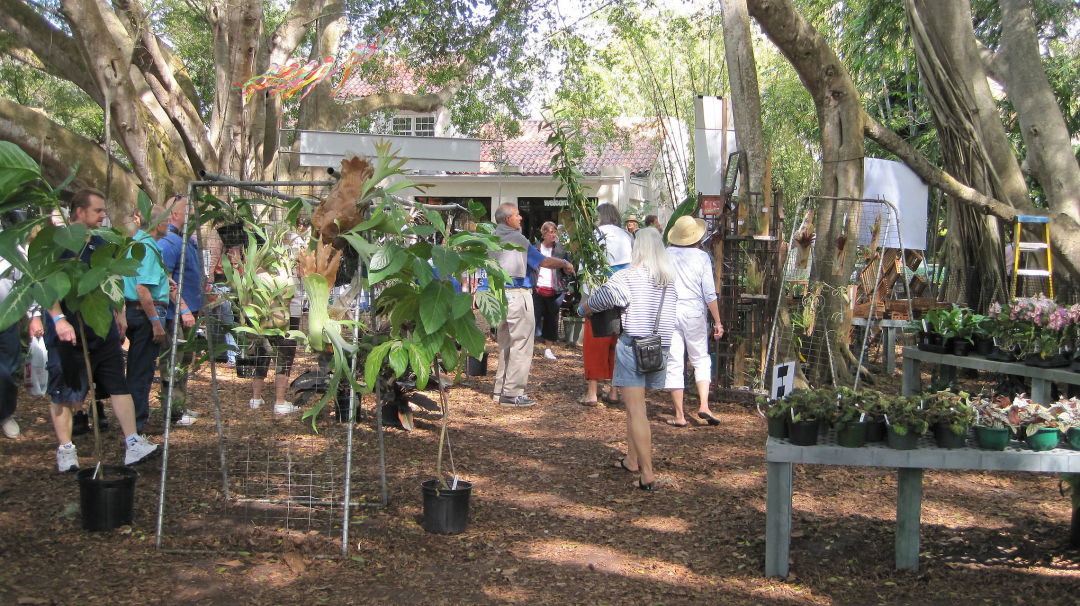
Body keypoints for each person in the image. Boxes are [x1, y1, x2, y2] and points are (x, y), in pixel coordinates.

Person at [45, 188, 158, 472]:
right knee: (66, 391)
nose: (103, 216)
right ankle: (66, 449)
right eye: (97, 211)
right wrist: (59, 319)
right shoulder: (58, 244)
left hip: (101, 327)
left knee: (117, 384)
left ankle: (133, 442)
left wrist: (118, 313)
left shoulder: (99, 242)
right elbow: (47, 285)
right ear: (79, 212)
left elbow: (111, 277)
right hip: (70, 331)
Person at [585, 227, 677, 490]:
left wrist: (584, 307)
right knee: (636, 406)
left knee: (637, 411)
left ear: (638, 248)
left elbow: (602, 298)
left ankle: (647, 472)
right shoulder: (668, 280)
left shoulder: (627, 277)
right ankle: (632, 459)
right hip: (659, 349)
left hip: (632, 347)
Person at [490, 203, 574, 407]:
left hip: (498, 296)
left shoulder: (491, 238)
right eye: (517, 215)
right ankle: (512, 394)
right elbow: (542, 262)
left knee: (505, 345)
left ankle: (500, 390)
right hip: (518, 295)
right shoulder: (517, 238)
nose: (521, 218)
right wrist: (564, 264)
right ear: (508, 219)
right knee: (521, 345)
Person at [662, 216, 724, 427]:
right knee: (700, 358)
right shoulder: (701, 257)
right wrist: (718, 321)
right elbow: (709, 292)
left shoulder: (666, 254)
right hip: (695, 311)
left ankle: (679, 415)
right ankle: (704, 405)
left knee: (674, 361)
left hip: (670, 311)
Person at [123, 205, 177, 432]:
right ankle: (136, 427)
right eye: (166, 220)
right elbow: (142, 289)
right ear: (158, 223)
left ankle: (136, 423)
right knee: (141, 372)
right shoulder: (146, 246)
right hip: (145, 315)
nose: (169, 224)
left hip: (139, 312)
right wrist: (156, 322)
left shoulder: (139, 244)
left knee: (140, 369)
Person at [580, 203, 632, 406]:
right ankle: (613, 391)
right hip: (622, 298)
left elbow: (585, 271)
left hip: (598, 295)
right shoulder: (627, 236)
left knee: (595, 345)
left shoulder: (594, 235)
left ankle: (592, 392)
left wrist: (585, 301)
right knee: (616, 345)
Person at [157, 194, 201, 425]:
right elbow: (165, 278)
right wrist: (183, 308)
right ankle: (171, 412)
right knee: (173, 361)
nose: (193, 212)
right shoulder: (168, 242)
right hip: (175, 316)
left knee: (185, 360)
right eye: (188, 209)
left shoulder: (188, 241)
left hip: (190, 313)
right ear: (174, 213)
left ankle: (179, 406)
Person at [0, 224, 42, 439]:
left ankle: (5, 414)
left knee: (6, 372)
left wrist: (34, 315)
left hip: (6, 320)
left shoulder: (12, 249)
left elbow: (27, 282)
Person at [530, 221, 570, 361]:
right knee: (533, 318)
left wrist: (565, 285)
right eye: (551, 232)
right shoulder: (534, 249)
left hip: (555, 289)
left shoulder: (561, 250)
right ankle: (530, 347)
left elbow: (567, 269)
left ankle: (548, 349)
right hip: (537, 288)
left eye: (555, 232)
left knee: (552, 319)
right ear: (544, 233)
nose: (554, 234)